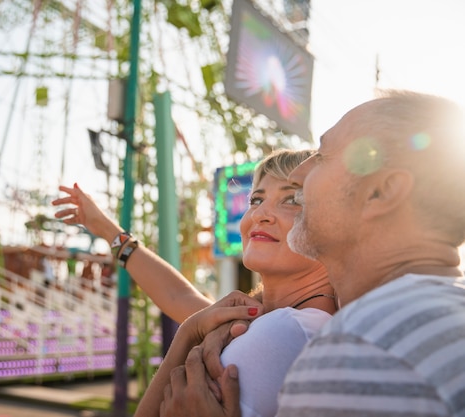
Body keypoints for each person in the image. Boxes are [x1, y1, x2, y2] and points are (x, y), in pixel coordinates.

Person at [162, 90, 465, 417]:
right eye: (256, 199)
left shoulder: (358, 350)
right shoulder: (421, 322)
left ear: (381, 192)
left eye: (322, 156)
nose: (298, 174)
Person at [53, 149, 337, 417]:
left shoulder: (283, 331)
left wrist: (188, 333)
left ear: (332, 225)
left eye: (291, 200)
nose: (260, 214)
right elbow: (178, 296)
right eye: (256, 200)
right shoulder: (268, 321)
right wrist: (106, 228)